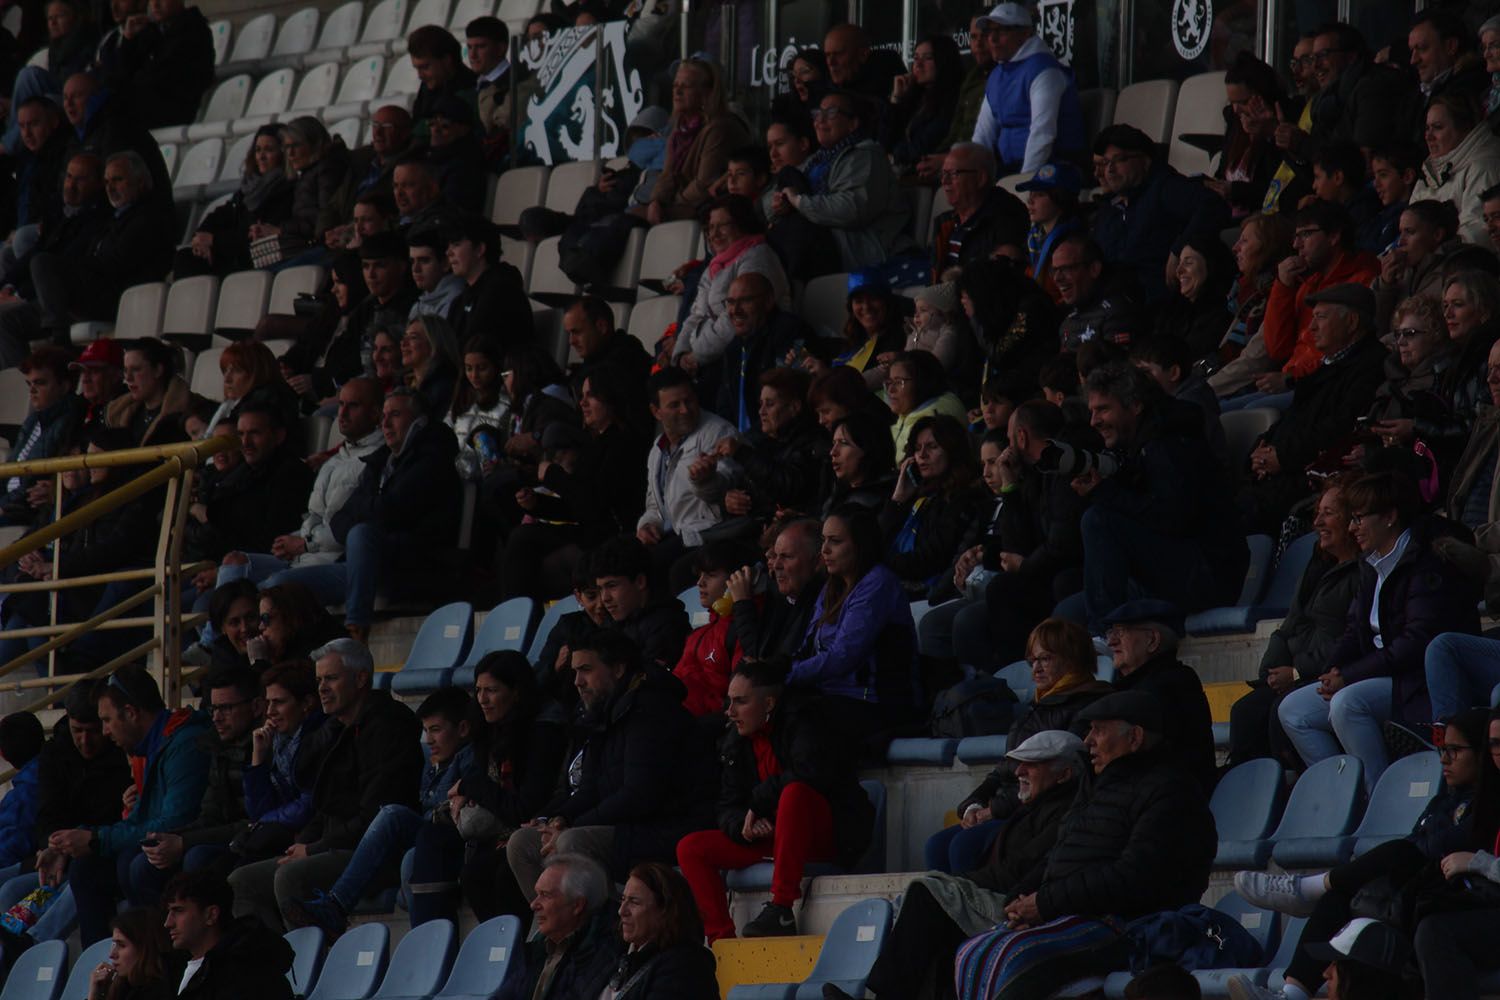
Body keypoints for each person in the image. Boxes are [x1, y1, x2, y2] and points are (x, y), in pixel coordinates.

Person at [952, 691, 1217, 1000]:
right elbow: (1057, 858)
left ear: (1135, 737)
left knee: (1013, 958)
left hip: (1129, 925)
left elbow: (1132, 877)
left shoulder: (1170, 790)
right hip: (1070, 911)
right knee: (971, 953)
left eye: (1099, 730)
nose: (1088, 740)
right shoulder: (1095, 787)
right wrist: (1018, 903)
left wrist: (1046, 904)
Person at [1229, 707, 1493, 1000]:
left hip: (1458, 901)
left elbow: (1437, 846)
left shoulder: (1489, 803)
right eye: (1442, 749)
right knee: (1339, 899)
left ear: (1481, 754)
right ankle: (1291, 995)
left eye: (1455, 751)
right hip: (1424, 893)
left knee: (1401, 854)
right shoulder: (1444, 799)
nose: (1444, 759)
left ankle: (1310, 887)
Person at [830, 730, 1084, 1000]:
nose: (1019, 771)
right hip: (1003, 892)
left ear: (1064, 774)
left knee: (926, 894)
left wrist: (963, 881)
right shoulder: (1035, 805)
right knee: (923, 899)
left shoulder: (1065, 813)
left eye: (1032, 764)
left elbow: (1020, 870)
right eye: (1020, 763)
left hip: (1016, 902)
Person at [1278, 470, 1483, 792]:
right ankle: (1345, 797)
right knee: (1294, 710)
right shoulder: (1372, 562)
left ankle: (1380, 795)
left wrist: (1349, 676)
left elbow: (1416, 643)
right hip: (1378, 672)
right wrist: (1333, 670)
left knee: (1348, 703)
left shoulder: (1426, 563)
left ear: (1389, 517)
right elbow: (1353, 629)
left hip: (1415, 680)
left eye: (1358, 518)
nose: (1352, 528)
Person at [228, 638, 423, 932]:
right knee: (241, 882)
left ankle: (306, 965)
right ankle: (273, 963)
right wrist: (305, 842)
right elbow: (320, 799)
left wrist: (315, 848)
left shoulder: (388, 726)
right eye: (319, 680)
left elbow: (373, 815)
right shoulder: (334, 728)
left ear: (360, 679)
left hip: (370, 852)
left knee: (290, 877)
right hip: (333, 844)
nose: (321, 688)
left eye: (331, 678)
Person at [677, 657, 874, 941]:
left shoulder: (807, 719)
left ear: (769, 704)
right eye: (729, 701)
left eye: (740, 702)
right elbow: (727, 806)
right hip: (772, 838)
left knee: (794, 794)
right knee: (690, 848)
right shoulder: (735, 739)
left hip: (821, 833)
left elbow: (810, 773)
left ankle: (781, 909)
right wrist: (744, 829)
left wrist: (757, 805)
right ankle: (721, 942)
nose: (730, 712)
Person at [506, 630, 712, 893]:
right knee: (523, 842)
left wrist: (574, 826)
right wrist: (558, 818)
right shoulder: (604, 713)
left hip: (669, 827)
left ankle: (599, 932)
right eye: (575, 672)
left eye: (586, 670)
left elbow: (639, 795)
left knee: (572, 842)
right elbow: (590, 788)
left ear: (617, 669)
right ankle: (555, 929)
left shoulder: (651, 710)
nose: (577, 681)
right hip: (629, 826)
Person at [1074, 363, 1248, 631]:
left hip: (1208, 576)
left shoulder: (1168, 445)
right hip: (1184, 568)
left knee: (1097, 520)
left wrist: (1105, 493)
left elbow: (1173, 519)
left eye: (1103, 409)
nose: (1094, 421)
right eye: (1092, 411)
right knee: (1068, 611)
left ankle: (1104, 637)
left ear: (1135, 406)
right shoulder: (1144, 442)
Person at [287, 687, 475, 935]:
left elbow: (446, 811)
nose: (429, 740)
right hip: (428, 835)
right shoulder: (435, 763)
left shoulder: (468, 757)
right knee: (408, 850)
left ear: (462, 729)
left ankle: (337, 904)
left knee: (392, 815)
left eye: (436, 730)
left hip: (450, 837)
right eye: (426, 731)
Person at [929, 621, 1109, 874]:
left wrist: (994, 811)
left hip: (1040, 814)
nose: (1035, 669)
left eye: (1044, 659)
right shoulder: (1038, 706)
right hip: (1009, 807)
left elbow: (1054, 779)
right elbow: (1004, 769)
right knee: (936, 846)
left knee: (963, 847)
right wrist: (973, 804)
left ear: (1072, 659)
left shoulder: (1087, 706)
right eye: (1032, 661)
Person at [53, 666, 211, 946]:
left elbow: (175, 822)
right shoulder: (155, 745)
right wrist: (74, 841)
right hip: (164, 845)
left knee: (134, 864)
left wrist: (96, 839)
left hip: (192, 843)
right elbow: (138, 820)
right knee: (86, 867)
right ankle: (105, 964)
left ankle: (157, 959)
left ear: (131, 713)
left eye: (107, 720)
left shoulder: (184, 744)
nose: (104, 731)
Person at [409, 651, 568, 926]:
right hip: (495, 826)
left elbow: (524, 806)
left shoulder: (543, 733)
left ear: (516, 692)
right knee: (431, 839)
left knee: (493, 872)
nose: (482, 699)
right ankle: (432, 939)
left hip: (533, 824)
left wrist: (471, 787)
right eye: (479, 690)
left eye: (492, 691)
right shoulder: (488, 730)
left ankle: (515, 952)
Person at [1228, 479, 1363, 767]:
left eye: (1329, 513)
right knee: (1246, 711)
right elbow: (1290, 625)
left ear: (1353, 519)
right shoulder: (1318, 565)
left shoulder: (1364, 572)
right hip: (1299, 673)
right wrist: (1272, 671)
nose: (1317, 522)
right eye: (1318, 513)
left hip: (1329, 674)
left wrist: (1298, 671)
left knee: (1281, 711)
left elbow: (1348, 640)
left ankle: (1301, 784)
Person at [1242, 283, 1393, 533]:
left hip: (1308, 484)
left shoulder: (1370, 368)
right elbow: (1294, 418)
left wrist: (1282, 456)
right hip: (1278, 474)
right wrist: (1261, 450)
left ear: (1352, 322)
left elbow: (1341, 428)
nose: (1311, 327)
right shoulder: (1329, 366)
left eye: (1321, 318)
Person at [126, 667, 264, 906]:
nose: (217, 717)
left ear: (256, 707)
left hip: (253, 843)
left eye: (226, 708)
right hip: (226, 836)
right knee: (140, 861)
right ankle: (155, 940)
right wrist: (172, 837)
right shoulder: (215, 745)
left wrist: (184, 842)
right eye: (213, 709)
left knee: (197, 859)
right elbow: (210, 814)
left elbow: (256, 822)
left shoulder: (265, 747)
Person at [790, 505, 919, 752]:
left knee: (800, 719)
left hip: (877, 704)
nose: (824, 550)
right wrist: (774, 672)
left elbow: (843, 656)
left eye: (835, 541)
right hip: (834, 697)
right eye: (823, 540)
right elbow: (807, 646)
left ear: (860, 545)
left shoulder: (878, 583)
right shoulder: (831, 586)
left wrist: (788, 676)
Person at [771, 88, 917, 278]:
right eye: (817, 114)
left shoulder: (866, 156)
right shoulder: (817, 159)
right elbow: (773, 200)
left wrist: (798, 202)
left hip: (859, 251)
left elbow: (849, 209)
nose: (820, 121)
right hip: (821, 245)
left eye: (831, 113)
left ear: (853, 123)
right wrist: (780, 203)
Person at [1089, 124, 1232, 303]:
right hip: (1112, 303)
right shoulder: (1111, 207)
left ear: (1145, 160)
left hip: (1156, 306)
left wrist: (1177, 250)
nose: (1109, 170)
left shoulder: (1165, 187)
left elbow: (1212, 205)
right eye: (1106, 162)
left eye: (1119, 160)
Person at [637, 367, 737, 591]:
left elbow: (727, 486)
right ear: (656, 411)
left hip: (708, 534)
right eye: (674, 405)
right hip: (674, 536)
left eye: (689, 401)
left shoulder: (717, 432)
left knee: (656, 569)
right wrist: (648, 524)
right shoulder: (657, 449)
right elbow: (654, 504)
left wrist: (705, 479)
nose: (685, 410)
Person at [1099, 600, 1216, 792]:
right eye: (1111, 633)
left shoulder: (1166, 687)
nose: (1111, 642)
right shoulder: (1134, 685)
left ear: (1152, 640)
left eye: (1121, 632)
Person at [671, 194, 790, 373]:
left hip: (753, 356)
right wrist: (681, 354)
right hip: (712, 356)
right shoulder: (713, 266)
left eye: (722, 226)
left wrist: (696, 356)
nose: (714, 234)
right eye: (710, 227)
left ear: (742, 223)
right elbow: (696, 315)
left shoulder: (758, 256)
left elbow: (736, 318)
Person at [971, 2, 1085, 174]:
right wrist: (972, 173)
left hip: (1055, 167)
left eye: (1001, 31)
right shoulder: (997, 75)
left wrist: (1023, 182)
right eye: (989, 32)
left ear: (1024, 34)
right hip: (1011, 167)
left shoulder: (1044, 70)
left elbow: (1043, 134)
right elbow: (982, 135)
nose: (992, 39)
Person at [882, 414, 985, 598]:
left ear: (952, 451)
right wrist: (898, 500)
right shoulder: (917, 494)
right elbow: (880, 538)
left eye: (932, 447)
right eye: (917, 448)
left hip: (925, 593)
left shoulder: (962, 500)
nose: (922, 455)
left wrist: (878, 561)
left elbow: (929, 559)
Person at [178, 125, 293, 277]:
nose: (261, 156)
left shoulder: (287, 189)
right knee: (186, 257)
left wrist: (214, 240)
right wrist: (201, 237)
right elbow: (218, 215)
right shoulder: (247, 189)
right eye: (258, 150)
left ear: (283, 154)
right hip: (232, 253)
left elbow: (257, 235)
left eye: (269, 150)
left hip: (254, 259)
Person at [167, 871, 294, 1000]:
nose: (168, 923)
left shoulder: (243, 972)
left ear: (211, 915)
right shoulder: (198, 969)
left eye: (178, 911)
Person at [509, 853, 619, 1000]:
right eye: (537, 894)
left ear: (577, 905)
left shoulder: (600, 959)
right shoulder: (538, 947)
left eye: (545, 895)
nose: (533, 904)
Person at [713, 272, 813, 431]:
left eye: (745, 301)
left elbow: (783, 408)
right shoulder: (733, 347)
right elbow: (724, 406)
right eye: (730, 302)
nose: (735, 310)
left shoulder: (788, 331)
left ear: (768, 301)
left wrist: (744, 444)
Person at [606, 863, 718, 998]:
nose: (621, 911)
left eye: (634, 902)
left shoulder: (684, 967)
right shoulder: (628, 958)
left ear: (665, 910)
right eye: (623, 900)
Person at [240, 660, 323, 840]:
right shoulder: (275, 740)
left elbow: (307, 806)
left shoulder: (320, 738)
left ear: (306, 703)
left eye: (279, 702)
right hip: (280, 833)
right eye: (268, 702)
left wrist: (263, 822)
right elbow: (257, 810)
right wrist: (258, 759)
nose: (270, 711)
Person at [1411, 92, 1500, 248]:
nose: (1428, 136)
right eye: (1427, 128)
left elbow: (1477, 231)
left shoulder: (1484, 166)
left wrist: (1434, 254)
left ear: (1464, 129)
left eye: (1437, 128)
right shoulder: (1429, 171)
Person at [727, 518, 824, 661]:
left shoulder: (824, 605)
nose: (776, 565)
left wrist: (743, 605)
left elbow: (764, 664)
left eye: (787, 556)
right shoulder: (780, 597)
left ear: (817, 562)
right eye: (775, 555)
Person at [930, 142, 1029, 280]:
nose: (944, 181)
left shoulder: (1007, 217)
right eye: (943, 173)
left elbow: (1004, 280)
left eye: (953, 174)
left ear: (981, 178)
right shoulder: (945, 221)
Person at [592, 536, 691, 671]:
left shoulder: (668, 625)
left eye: (612, 586)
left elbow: (645, 684)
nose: (604, 598)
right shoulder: (611, 623)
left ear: (640, 582)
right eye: (600, 589)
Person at [1371, 199, 1462, 337]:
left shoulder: (1455, 271)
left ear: (1437, 235)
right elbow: (1374, 328)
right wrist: (1385, 286)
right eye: (1400, 232)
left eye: (1410, 232)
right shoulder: (1402, 273)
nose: (1401, 241)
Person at [444, 214, 531, 349]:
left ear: (480, 249)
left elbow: (472, 347)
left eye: (456, 244)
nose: (448, 252)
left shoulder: (502, 291)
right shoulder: (459, 301)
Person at [86, 906, 180, 1000]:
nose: (112, 954)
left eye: (122, 945)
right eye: (114, 944)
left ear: (145, 949)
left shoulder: (156, 993)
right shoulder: (122, 987)